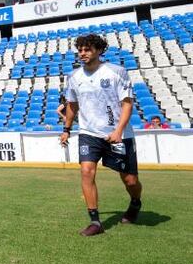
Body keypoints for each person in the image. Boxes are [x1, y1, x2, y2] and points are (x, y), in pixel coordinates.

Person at [60, 33, 143, 235]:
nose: (82, 53)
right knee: (87, 171)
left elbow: (127, 103)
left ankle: (135, 202)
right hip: (88, 133)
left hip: (117, 134)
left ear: (98, 50)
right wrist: (67, 130)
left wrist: (118, 130)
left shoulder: (116, 72)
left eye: (87, 49)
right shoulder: (74, 77)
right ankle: (95, 222)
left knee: (130, 180)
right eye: (80, 50)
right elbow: (72, 105)